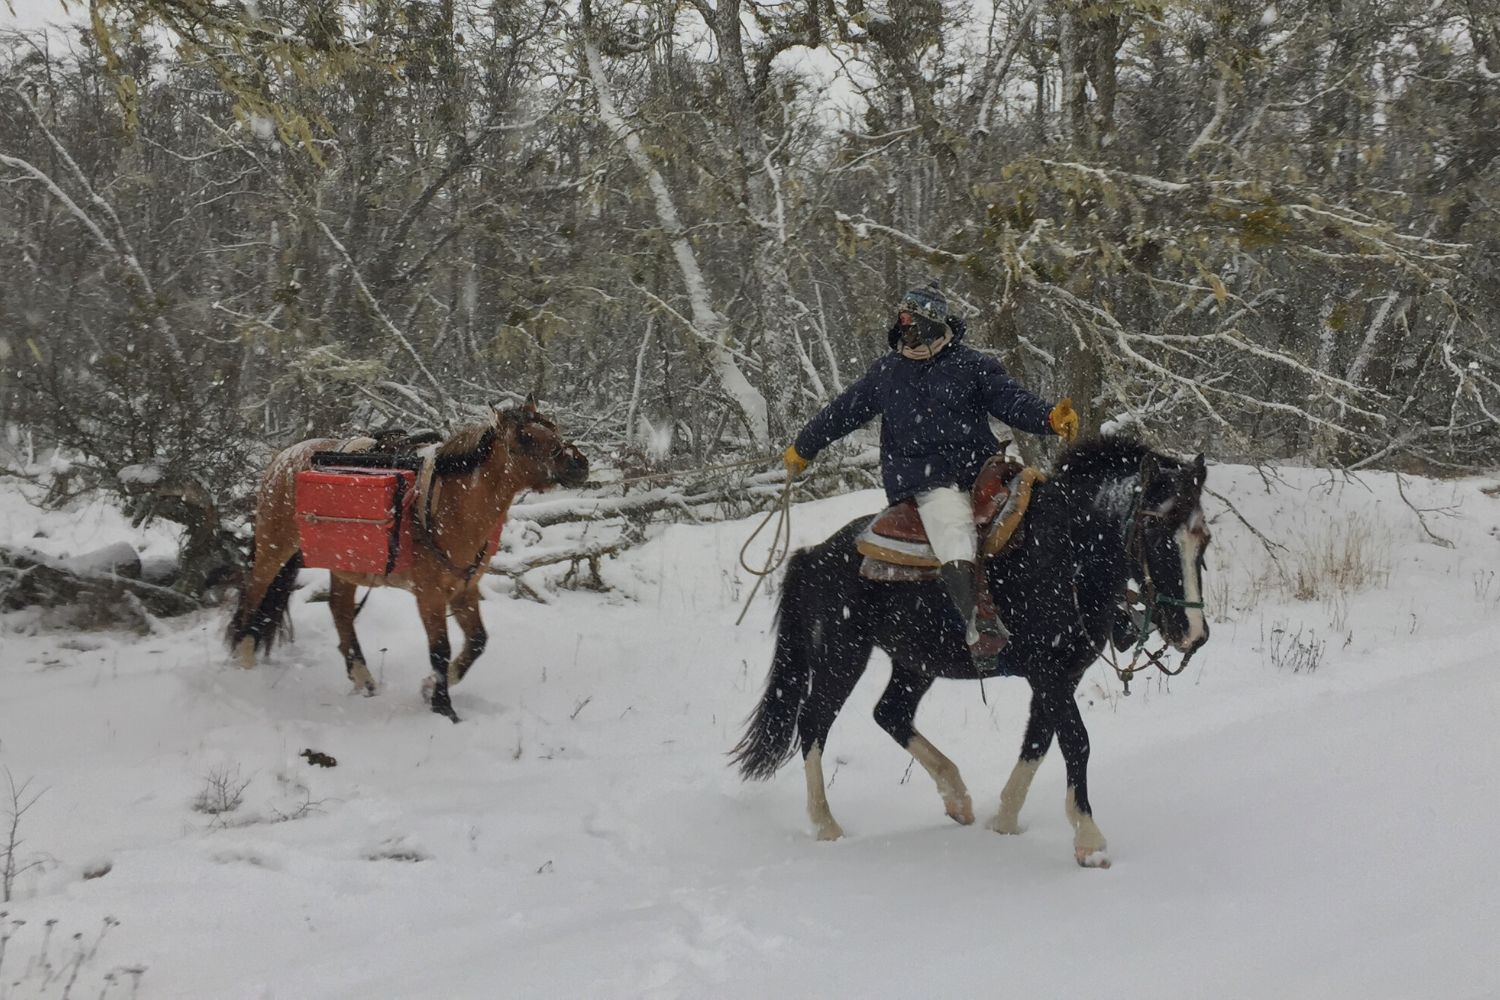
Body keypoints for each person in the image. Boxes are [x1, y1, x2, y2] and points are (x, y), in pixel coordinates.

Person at [782, 282, 1079, 660]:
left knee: (1049, 510)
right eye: (902, 321)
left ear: (934, 323)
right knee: (955, 532)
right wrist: (803, 447)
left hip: (984, 471)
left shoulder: (972, 365)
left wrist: (1049, 417)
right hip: (927, 482)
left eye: (913, 321)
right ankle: (979, 627)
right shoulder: (887, 373)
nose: (905, 328)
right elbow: (842, 412)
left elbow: (1011, 400)